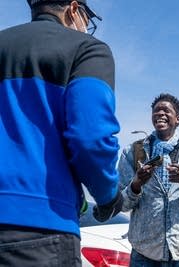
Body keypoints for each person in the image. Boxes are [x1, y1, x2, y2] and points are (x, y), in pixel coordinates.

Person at [0, 1, 123, 265]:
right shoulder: (86, 49)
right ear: (73, 10)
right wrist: (109, 196)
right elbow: (90, 138)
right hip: (40, 228)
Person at [118, 93, 179, 267]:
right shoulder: (131, 152)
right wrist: (136, 184)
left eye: (166, 110)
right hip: (144, 252)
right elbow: (121, 204)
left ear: (178, 119)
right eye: (156, 111)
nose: (160, 113)